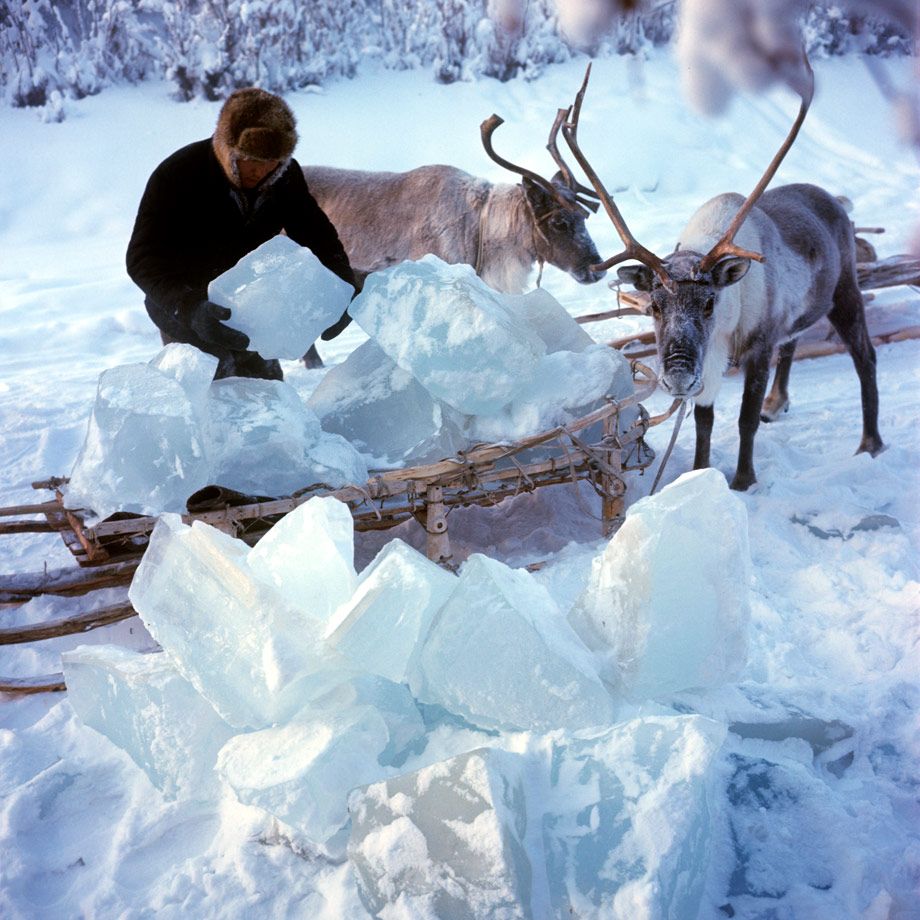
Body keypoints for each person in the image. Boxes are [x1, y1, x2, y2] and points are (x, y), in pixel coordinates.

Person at [126, 86, 355, 380]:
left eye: (271, 162)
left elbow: (317, 234)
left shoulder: (284, 177)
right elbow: (141, 260)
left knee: (269, 394)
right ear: (229, 148)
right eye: (251, 160)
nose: (260, 171)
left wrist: (342, 287)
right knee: (215, 388)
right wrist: (190, 309)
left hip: (249, 305)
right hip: (185, 304)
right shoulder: (177, 175)